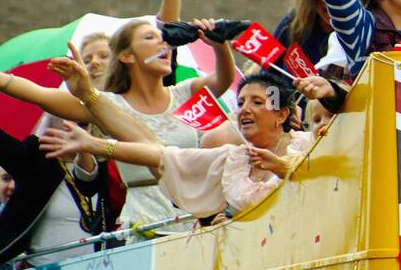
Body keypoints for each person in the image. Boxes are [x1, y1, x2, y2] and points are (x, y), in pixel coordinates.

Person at [0, 9, 236, 234]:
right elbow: (36, 93)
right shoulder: (104, 104)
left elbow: (224, 78)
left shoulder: (186, 92)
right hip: (146, 222)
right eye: (151, 38)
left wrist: (219, 43)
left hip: (198, 218)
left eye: (165, 41)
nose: (164, 45)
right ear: (126, 56)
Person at [41, 65, 341, 221]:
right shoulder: (232, 158)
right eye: (241, 102)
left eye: (257, 102)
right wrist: (96, 145)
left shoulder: (309, 144)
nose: (244, 109)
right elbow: (162, 156)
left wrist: (283, 166)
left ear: (282, 114)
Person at [0, 88, 112, 270]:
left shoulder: (109, 162)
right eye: (66, 116)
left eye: (82, 123)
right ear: (52, 118)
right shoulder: (37, 159)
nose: (74, 128)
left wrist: (86, 147)